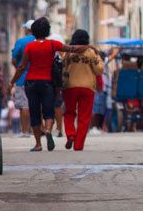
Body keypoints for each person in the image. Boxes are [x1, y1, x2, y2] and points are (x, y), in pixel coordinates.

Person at [9, 17, 92, 152]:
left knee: (35, 112)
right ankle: (48, 129)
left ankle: (38, 144)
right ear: (47, 31)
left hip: (31, 83)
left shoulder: (30, 47)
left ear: (33, 32)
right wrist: (89, 46)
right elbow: (73, 49)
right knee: (48, 111)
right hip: (48, 82)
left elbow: (22, 67)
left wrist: (12, 82)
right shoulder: (53, 44)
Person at [61, 29, 103, 151]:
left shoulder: (68, 52)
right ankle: (78, 145)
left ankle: (70, 134)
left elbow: (62, 67)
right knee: (84, 117)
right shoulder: (91, 52)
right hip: (87, 88)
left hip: (70, 87)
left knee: (69, 113)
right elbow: (99, 70)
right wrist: (98, 55)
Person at [10, 20, 35, 136]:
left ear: (27, 29)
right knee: (34, 105)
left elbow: (14, 59)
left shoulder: (21, 41)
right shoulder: (40, 41)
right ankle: (33, 129)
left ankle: (24, 131)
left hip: (23, 78)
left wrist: (18, 69)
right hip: (39, 78)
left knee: (24, 105)